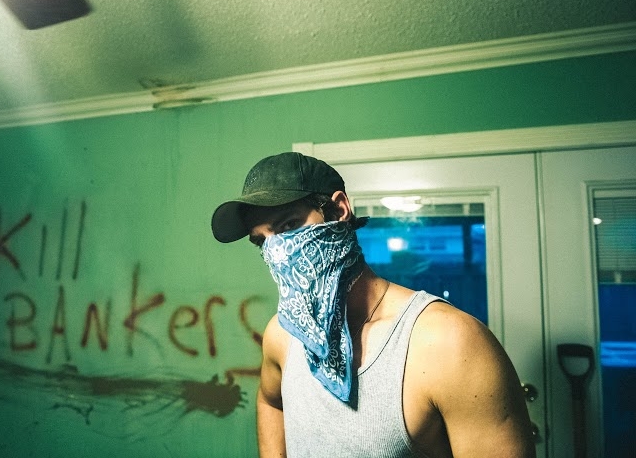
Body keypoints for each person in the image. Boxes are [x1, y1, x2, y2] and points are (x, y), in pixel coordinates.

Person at [211, 152, 535, 458]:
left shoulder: (450, 343)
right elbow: (271, 401)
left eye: (289, 226)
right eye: (262, 241)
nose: (277, 252)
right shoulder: (282, 335)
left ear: (339, 211)